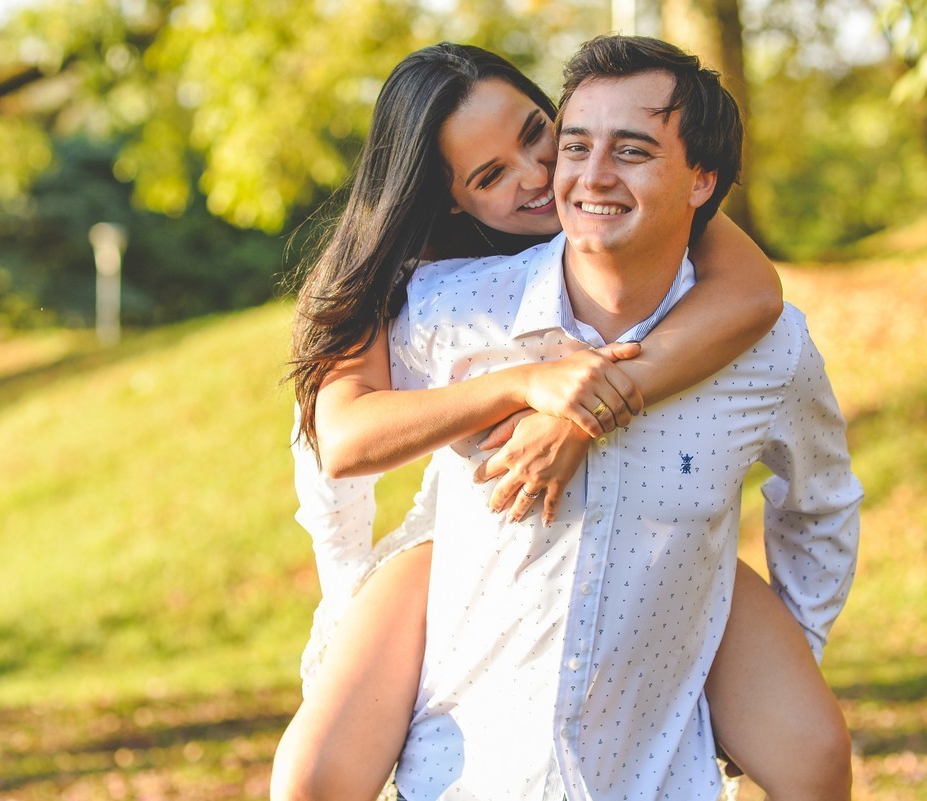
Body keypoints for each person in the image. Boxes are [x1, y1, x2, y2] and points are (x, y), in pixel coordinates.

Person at [272, 40, 857, 801]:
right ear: (450, 200)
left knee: (814, 749)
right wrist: (523, 386)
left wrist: (582, 414)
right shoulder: (433, 294)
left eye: (536, 134)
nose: (543, 178)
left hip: (666, 539)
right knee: (312, 772)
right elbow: (342, 448)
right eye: (491, 175)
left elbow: (754, 295)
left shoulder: (668, 224)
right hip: (468, 535)